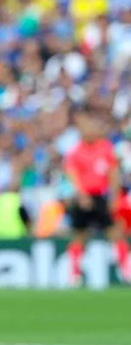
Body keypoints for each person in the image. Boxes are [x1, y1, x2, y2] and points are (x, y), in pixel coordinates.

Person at [64, 108, 131, 285]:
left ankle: (125, 270)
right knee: (79, 236)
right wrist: (81, 195)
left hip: (101, 196)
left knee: (115, 233)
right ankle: (74, 274)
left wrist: (115, 197)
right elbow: (72, 175)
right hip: (83, 198)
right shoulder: (76, 151)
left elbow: (113, 174)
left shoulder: (105, 148)